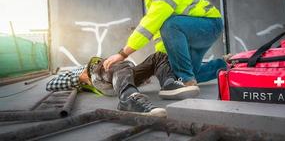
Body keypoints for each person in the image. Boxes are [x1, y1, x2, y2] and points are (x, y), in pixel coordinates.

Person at [103, 0, 227, 86]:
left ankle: (187, 81)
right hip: (195, 32)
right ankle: (227, 65)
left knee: (170, 25)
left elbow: (149, 26)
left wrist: (122, 54)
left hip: (210, 24)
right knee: (189, 71)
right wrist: (163, 58)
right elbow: (158, 33)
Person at [46, 52, 200, 117]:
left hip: (121, 72)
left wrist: (137, 74)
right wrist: (80, 78)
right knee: (118, 63)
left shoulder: (113, 63)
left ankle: (168, 84)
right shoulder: (83, 69)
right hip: (102, 79)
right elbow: (51, 84)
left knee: (158, 56)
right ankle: (128, 98)